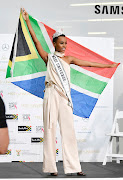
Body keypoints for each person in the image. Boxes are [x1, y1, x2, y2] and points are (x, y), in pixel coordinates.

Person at [22, 8, 119, 176]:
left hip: (64, 97)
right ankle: (51, 168)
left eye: (66, 43)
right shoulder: (49, 58)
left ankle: (74, 167)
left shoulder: (69, 59)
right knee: (50, 129)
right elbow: (36, 41)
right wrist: (28, 21)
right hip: (50, 94)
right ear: (54, 44)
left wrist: (108, 66)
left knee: (68, 131)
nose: (64, 46)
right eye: (61, 43)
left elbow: (89, 63)